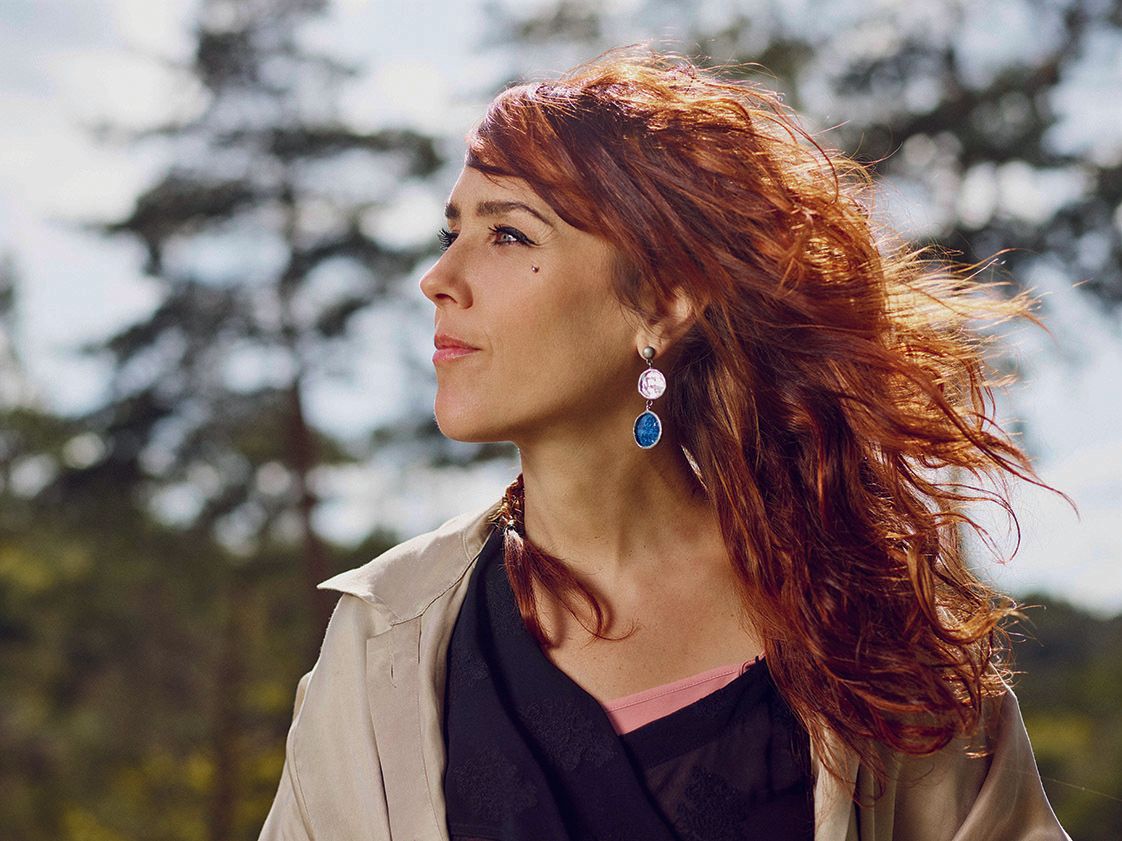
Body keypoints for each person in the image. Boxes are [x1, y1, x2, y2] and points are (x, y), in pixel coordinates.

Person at [259, 47, 1071, 841]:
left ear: (664, 300)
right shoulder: (384, 636)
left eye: (508, 234)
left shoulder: (860, 621)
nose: (438, 279)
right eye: (452, 232)